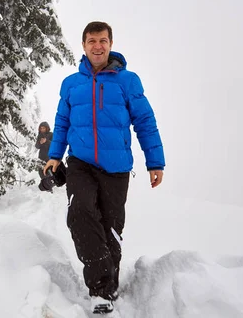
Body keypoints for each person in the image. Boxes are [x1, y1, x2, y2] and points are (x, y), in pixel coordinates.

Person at [43, 21, 165, 315]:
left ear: (110, 44)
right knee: (81, 214)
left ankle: (109, 284)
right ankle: (100, 289)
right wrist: (55, 155)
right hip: (81, 163)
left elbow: (145, 122)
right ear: (83, 46)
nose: (97, 46)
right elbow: (62, 123)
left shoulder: (128, 81)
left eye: (102, 40)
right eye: (91, 41)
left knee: (111, 228)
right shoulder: (72, 84)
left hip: (117, 167)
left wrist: (155, 161)